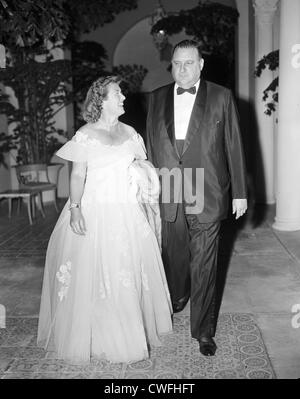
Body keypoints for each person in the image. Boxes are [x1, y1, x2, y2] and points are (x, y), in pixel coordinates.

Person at [37, 76, 172, 364]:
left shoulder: (130, 133)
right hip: (94, 209)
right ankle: (96, 332)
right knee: (95, 272)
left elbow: (142, 166)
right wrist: (75, 208)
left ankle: (125, 329)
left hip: (126, 212)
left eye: (121, 92)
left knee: (125, 271)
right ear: (102, 100)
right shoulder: (86, 134)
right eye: (118, 93)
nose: (124, 97)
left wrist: (143, 180)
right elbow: (77, 175)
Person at [146, 40, 248, 356]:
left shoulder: (221, 96)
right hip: (170, 186)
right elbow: (152, 145)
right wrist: (149, 185)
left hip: (207, 189)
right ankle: (179, 292)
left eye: (189, 63)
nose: (182, 69)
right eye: (177, 63)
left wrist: (240, 193)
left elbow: (233, 145)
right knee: (174, 254)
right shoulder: (157, 97)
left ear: (201, 64)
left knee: (204, 260)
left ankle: (203, 330)